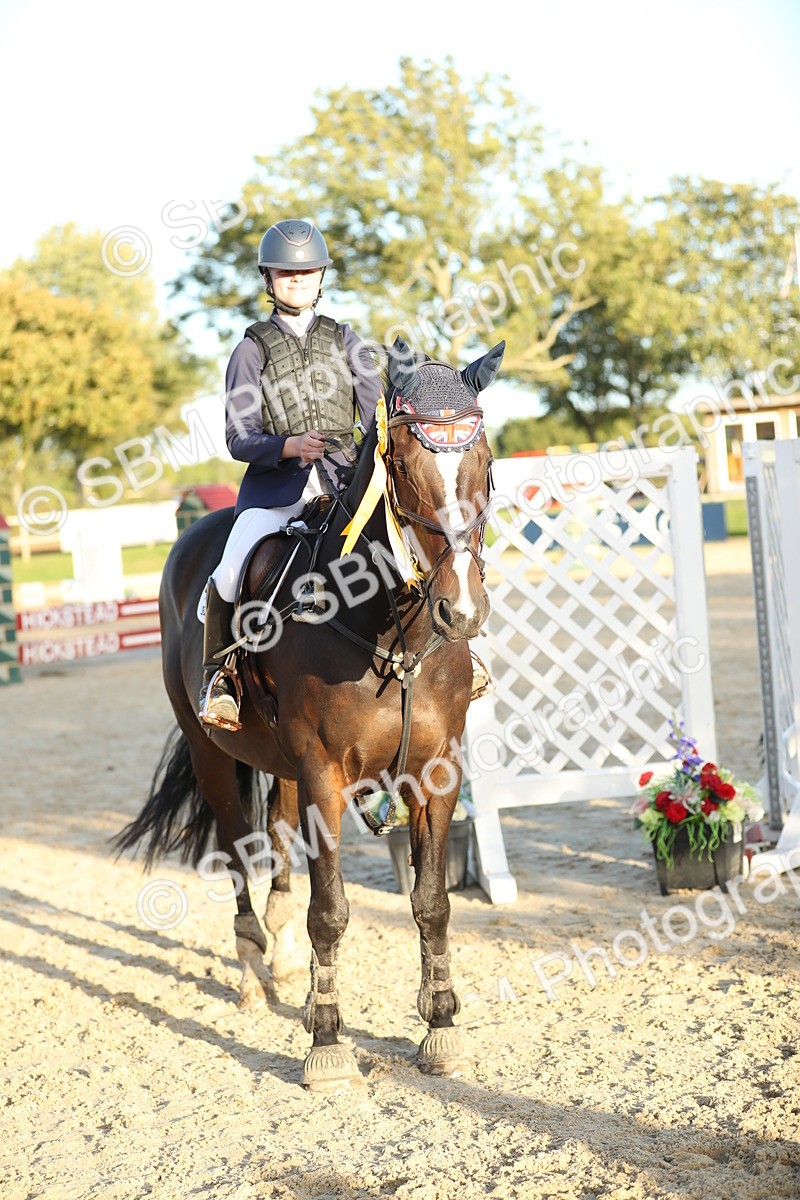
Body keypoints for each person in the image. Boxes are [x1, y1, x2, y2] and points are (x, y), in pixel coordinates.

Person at [198, 219, 382, 731]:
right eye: (286, 272)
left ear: (320, 276)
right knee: (229, 572)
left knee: (407, 549)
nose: (297, 279)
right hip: (276, 493)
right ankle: (221, 680)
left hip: (345, 487)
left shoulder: (346, 340)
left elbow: (376, 418)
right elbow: (238, 437)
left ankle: (456, 654)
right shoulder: (250, 349)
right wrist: (288, 446)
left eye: (306, 272)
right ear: (269, 279)